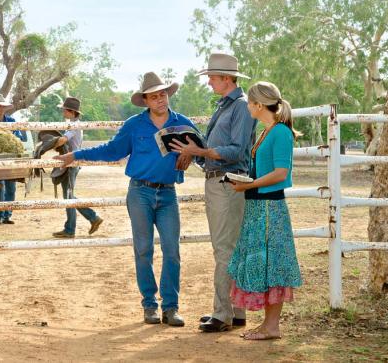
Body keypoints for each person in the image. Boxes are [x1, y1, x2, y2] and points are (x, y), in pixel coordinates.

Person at [59, 71, 198, 327]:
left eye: (163, 94)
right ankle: (149, 305)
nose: (160, 100)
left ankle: (171, 307)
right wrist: (75, 155)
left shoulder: (182, 123)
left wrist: (193, 153)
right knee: (143, 249)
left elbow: (201, 150)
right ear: (145, 100)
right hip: (140, 192)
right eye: (154, 96)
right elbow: (112, 150)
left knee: (172, 250)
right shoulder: (134, 125)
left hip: (168, 193)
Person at [170, 52, 256, 332]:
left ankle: (222, 314)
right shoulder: (226, 106)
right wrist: (193, 152)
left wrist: (201, 150)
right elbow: (221, 149)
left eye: (211, 78)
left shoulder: (240, 107)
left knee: (223, 249)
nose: (208, 82)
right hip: (220, 180)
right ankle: (235, 310)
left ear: (226, 78)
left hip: (227, 182)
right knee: (229, 247)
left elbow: (237, 150)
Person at [227, 81, 302, 340]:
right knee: (266, 263)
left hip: (270, 208)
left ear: (259, 105)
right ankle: (268, 325)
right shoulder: (267, 131)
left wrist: (251, 184)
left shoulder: (280, 132)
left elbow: (282, 172)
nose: (247, 106)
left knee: (272, 264)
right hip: (259, 206)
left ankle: (272, 327)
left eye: (249, 102)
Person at [51, 97, 103, 239]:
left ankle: (86, 221)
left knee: (68, 196)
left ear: (71, 111)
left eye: (64, 109)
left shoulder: (74, 126)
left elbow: (63, 140)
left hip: (72, 164)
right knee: (68, 195)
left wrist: (50, 145)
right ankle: (77, 224)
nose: (62, 111)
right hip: (73, 163)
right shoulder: (74, 124)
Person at [0, 99, 27, 225]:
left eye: (3, 107)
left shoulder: (12, 122)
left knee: (11, 188)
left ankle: (8, 215)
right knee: (0, 187)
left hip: (10, 158)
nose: (1, 108)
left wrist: (12, 137)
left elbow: (18, 136)